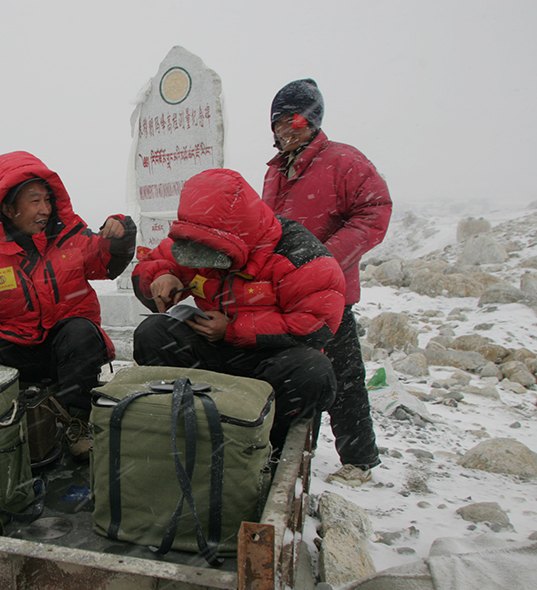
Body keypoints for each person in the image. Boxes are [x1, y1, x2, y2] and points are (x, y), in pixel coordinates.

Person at [0, 150, 136, 459]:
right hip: (15, 352)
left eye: (48, 200)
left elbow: (106, 262)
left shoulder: (70, 239)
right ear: (9, 209)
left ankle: (76, 423)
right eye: (34, 201)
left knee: (81, 331)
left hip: (63, 351)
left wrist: (120, 231)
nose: (45, 209)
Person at [131, 168, 345, 456]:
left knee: (311, 371)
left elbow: (315, 325)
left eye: (214, 250)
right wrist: (162, 276)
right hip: (215, 351)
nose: (202, 255)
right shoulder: (196, 238)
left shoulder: (299, 253)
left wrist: (234, 329)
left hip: (268, 359)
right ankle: (183, 432)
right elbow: (151, 264)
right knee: (153, 332)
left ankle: (268, 450)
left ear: (235, 234)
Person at [262, 79, 392, 487]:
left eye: (294, 119)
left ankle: (360, 458)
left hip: (329, 294)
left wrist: (325, 258)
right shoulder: (275, 172)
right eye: (278, 122)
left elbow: (375, 212)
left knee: (344, 376)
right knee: (299, 376)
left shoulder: (342, 160)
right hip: (286, 295)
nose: (286, 129)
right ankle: (296, 454)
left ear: (313, 119)